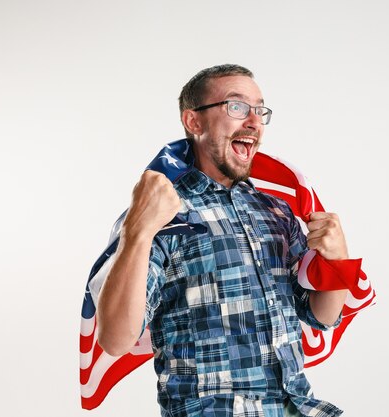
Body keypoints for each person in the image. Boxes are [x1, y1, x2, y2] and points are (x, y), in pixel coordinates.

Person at [96, 64, 351, 416]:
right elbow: (115, 339)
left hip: (297, 407)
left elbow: (321, 315)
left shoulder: (274, 211)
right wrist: (138, 231)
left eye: (260, 109)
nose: (254, 121)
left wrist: (337, 260)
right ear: (194, 122)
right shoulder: (161, 214)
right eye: (237, 107)